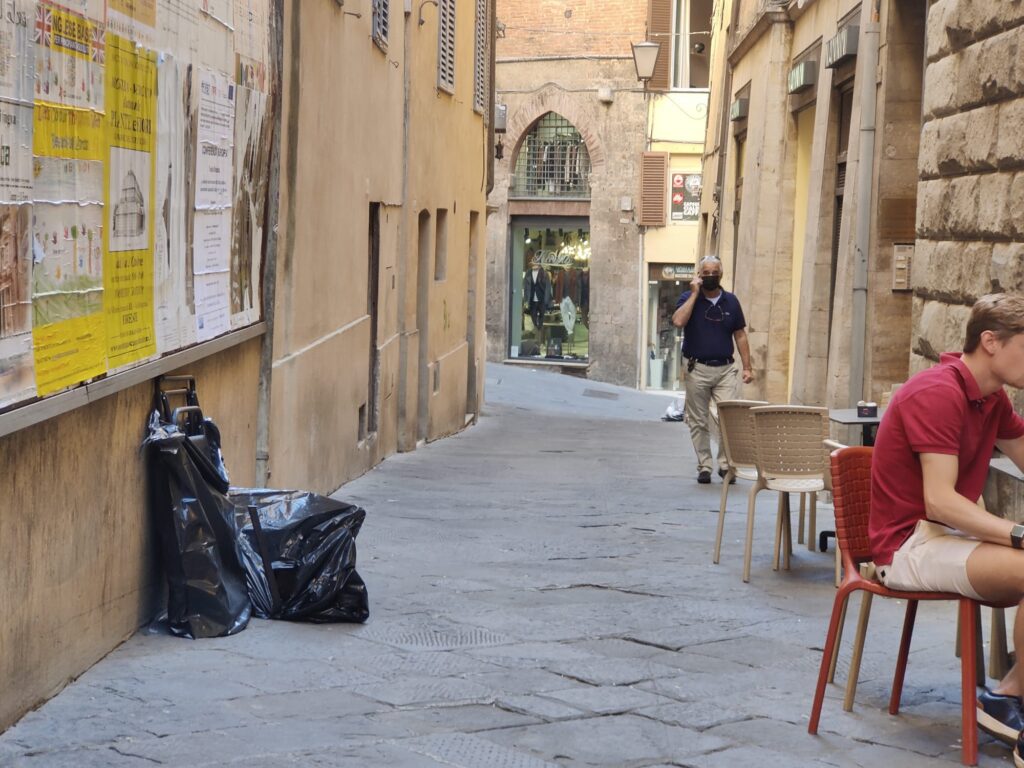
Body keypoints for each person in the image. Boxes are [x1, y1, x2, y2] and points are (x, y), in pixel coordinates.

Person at [868, 293, 1024, 756]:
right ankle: (1009, 696)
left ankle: (1006, 695)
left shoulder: (991, 398)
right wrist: (1017, 533)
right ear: (991, 342)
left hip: (948, 537)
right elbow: (939, 501)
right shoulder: (938, 392)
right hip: (907, 545)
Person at [671, 255, 753, 484]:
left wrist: (747, 367)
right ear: (699, 275)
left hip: (726, 369)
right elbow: (678, 321)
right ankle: (705, 466)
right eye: (705, 273)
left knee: (728, 418)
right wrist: (694, 294)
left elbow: (740, 335)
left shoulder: (731, 301)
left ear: (721, 275)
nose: (710, 276)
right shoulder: (688, 298)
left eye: (714, 273)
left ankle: (726, 466)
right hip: (696, 367)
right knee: (698, 420)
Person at [523, 250, 552, 348]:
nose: (534, 264)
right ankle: (539, 339)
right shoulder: (528, 273)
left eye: (536, 262)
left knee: (542, 320)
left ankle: (540, 342)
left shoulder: (544, 273)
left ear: (539, 264)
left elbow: (548, 288)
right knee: (534, 320)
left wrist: (546, 300)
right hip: (532, 300)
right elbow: (525, 287)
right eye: (533, 262)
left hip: (542, 300)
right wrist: (526, 300)